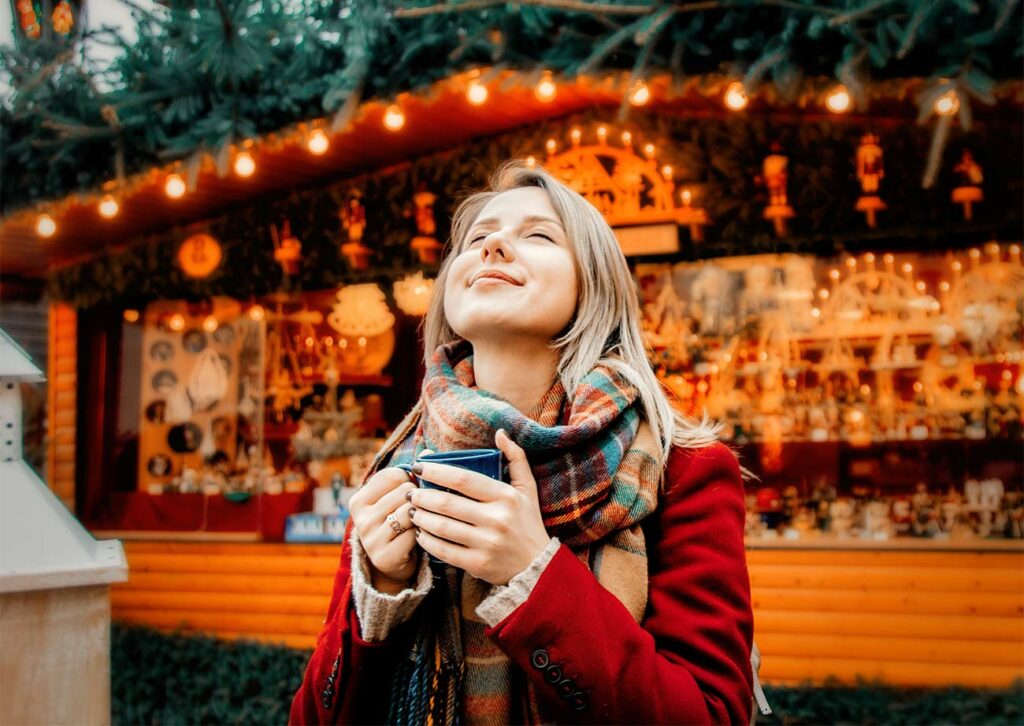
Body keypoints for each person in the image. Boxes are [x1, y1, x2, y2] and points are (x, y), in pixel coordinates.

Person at [290, 161, 766, 725]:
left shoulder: (682, 468)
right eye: (477, 238)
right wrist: (380, 598)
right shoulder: (400, 469)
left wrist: (532, 574)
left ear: (595, 286)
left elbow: (711, 716)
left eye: (537, 235)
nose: (493, 247)